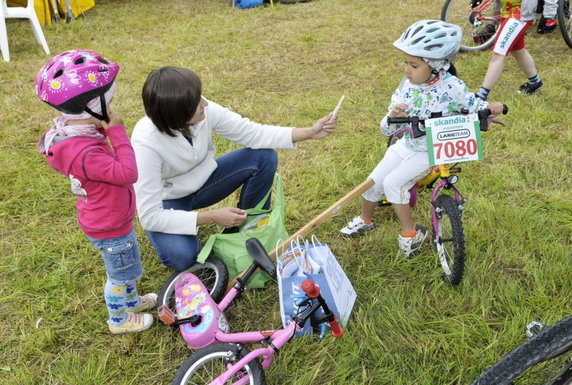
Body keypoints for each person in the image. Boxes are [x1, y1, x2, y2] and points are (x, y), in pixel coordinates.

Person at [131, 66, 337, 271]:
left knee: (263, 157)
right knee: (183, 258)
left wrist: (309, 132)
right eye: (196, 103)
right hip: (169, 199)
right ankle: (202, 230)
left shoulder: (204, 109)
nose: (204, 103)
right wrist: (211, 217)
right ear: (178, 115)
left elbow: (253, 133)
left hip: (206, 182)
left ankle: (248, 225)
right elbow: (150, 216)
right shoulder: (146, 143)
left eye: (200, 96)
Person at [339, 20, 504, 258]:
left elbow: (472, 105)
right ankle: (366, 219)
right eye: (406, 62)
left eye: (414, 65)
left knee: (394, 183)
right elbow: (386, 128)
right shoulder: (407, 87)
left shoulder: (453, 87)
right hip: (406, 144)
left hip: (430, 150)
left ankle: (411, 234)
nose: (407, 69)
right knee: (374, 182)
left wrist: (491, 107)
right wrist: (392, 116)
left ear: (436, 65)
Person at [36, 50, 156, 334]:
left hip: (105, 218)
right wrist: (117, 131)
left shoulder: (76, 134)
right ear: (91, 107)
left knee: (127, 267)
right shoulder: (86, 154)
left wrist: (102, 127)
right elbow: (128, 173)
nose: (113, 109)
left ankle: (132, 301)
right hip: (110, 226)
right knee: (119, 273)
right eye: (110, 102)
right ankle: (119, 320)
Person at [475, 0, 545, 101]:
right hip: (508, 12)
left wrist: (549, 15)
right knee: (518, 50)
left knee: (499, 53)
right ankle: (535, 82)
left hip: (520, 15)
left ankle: (481, 96)